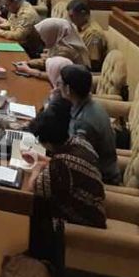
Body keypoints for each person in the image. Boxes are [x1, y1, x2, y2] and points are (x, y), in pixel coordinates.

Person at [28, 99, 106, 235]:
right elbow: (64, 164)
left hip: (84, 220)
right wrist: (39, 157)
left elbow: (33, 187)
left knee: (38, 203)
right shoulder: (78, 142)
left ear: (47, 142)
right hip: (95, 207)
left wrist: (37, 168)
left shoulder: (61, 166)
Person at [60, 64, 120, 184]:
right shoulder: (90, 104)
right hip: (95, 167)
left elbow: (78, 162)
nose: (58, 86)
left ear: (67, 89)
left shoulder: (84, 123)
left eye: (60, 83)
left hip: (100, 179)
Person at [16, 19, 90, 77]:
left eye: (41, 35)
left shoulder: (66, 50)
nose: (40, 38)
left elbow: (56, 76)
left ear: (51, 33)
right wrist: (28, 63)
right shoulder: (60, 41)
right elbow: (48, 61)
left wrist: (29, 71)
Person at [67, 0, 108, 71]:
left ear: (83, 14)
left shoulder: (93, 34)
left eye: (72, 16)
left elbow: (92, 63)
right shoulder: (79, 26)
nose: (70, 20)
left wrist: (66, 62)